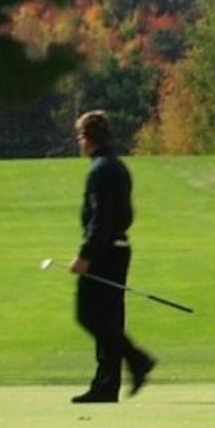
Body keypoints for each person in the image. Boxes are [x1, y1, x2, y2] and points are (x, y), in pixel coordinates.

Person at [69, 110, 159, 404]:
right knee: (108, 318)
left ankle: (136, 360)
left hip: (105, 252)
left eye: (80, 136)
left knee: (89, 314)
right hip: (118, 249)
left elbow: (101, 219)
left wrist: (85, 255)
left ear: (89, 138)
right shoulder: (116, 165)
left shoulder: (101, 170)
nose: (79, 142)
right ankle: (107, 384)